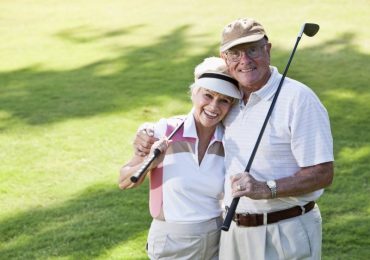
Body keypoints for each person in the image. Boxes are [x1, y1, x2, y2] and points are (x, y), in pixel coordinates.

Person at [133, 18, 334, 260]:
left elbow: (323, 173)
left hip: (285, 230)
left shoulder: (299, 99)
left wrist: (267, 188)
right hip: (233, 234)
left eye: (252, 50)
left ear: (267, 50)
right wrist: (149, 130)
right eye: (235, 53)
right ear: (224, 59)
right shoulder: (230, 100)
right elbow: (200, 115)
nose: (245, 61)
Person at [119, 57, 241, 260]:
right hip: (171, 242)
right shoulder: (163, 132)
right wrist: (150, 159)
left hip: (218, 239)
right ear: (194, 93)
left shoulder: (229, 141)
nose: (213, 106)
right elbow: (124, 181)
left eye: (224, 100)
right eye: (208, 95)